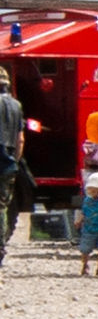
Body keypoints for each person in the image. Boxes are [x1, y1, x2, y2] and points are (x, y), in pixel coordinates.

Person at [0, 68, 24, 268]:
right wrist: (15, 161)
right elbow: (20, 139)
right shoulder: (16, 105)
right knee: (2, 207)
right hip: (8, 164)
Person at [75, 171, 98, 276]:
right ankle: (85, 265)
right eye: (92, 190)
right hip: (88, 229)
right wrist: (79, 220)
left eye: (97, 190)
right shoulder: (86, 201)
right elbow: (82, 211)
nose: (95, 193)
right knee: (85, 249)